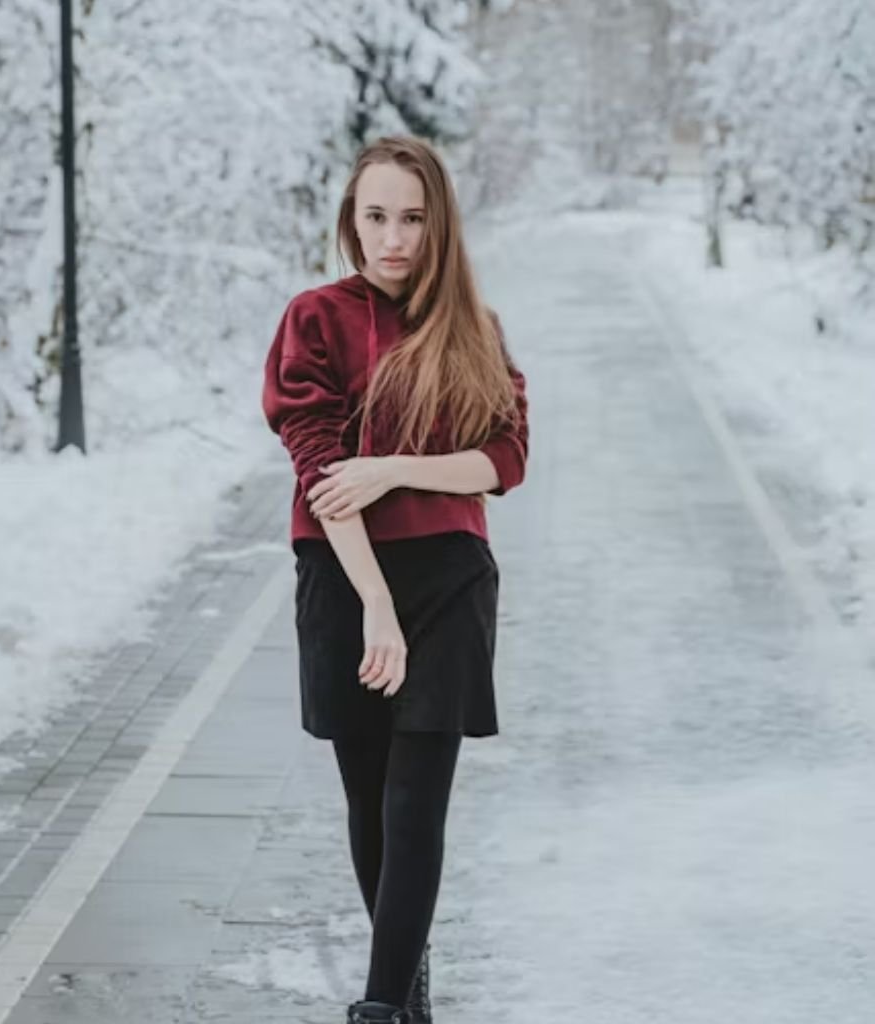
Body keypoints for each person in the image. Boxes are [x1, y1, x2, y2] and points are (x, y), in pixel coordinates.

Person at [261, 135, 528, 1024]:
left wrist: (397, 471)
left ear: (439, 223)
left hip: (449, 578)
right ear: (351, 220)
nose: (394, 238)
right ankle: (407, 992)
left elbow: (504, 458)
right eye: (376, 217)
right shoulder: (316, 318)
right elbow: (322, 472)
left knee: (417, 803)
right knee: (370, 801)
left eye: (412, 218)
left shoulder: (475, 329)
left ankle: (378, 1006)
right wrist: (375, 601)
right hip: (346, 578)